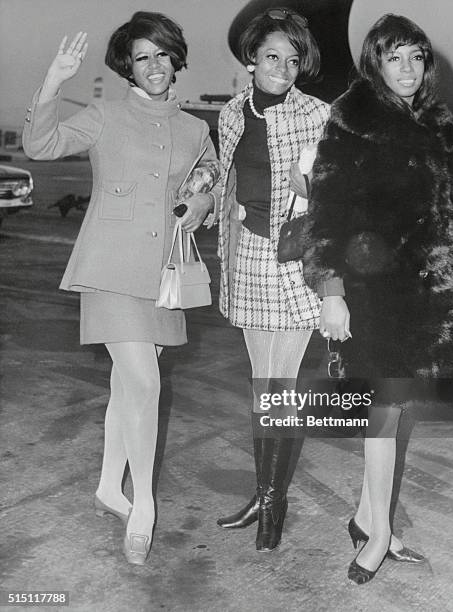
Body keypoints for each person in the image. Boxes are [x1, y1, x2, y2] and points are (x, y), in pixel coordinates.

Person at [303, 13, 453, 584]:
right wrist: (332, 292)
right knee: (382, 412)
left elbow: (439, 209)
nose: (407, 68)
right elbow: (326, 216)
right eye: (395, 57)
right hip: (370, 290)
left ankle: (366, 517)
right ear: (374, 63)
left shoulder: (437, 127)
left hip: (424, 295)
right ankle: (381, 533)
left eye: (416, 56)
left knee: (396, 406)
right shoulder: (352, 122)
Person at [23, 11, 219, 565]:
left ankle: (110, 487)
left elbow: (208, 177)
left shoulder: (193, 128)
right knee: (146, 384)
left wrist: (200, 200)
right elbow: (41, 145)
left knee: (128, 388)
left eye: (161, 54)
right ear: (127, 67)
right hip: (110, 268)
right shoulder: (104, 114)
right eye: (141, 57)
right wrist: (55, 80)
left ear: (175, 58)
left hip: (164, 273)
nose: (153, 65)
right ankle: (145, 505)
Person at [216, 8, 333, 551]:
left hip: (293, 260)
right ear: (250, 60)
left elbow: (334, 197)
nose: (283, 69)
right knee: (261, 383)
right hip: (247, 260)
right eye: (271, 58)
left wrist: (306, 190)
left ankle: (273, 505)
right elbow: (228, 178)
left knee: (278, 387)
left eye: (291, 61)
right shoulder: (232, 114)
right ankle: (264, 494)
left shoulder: (319, 115)